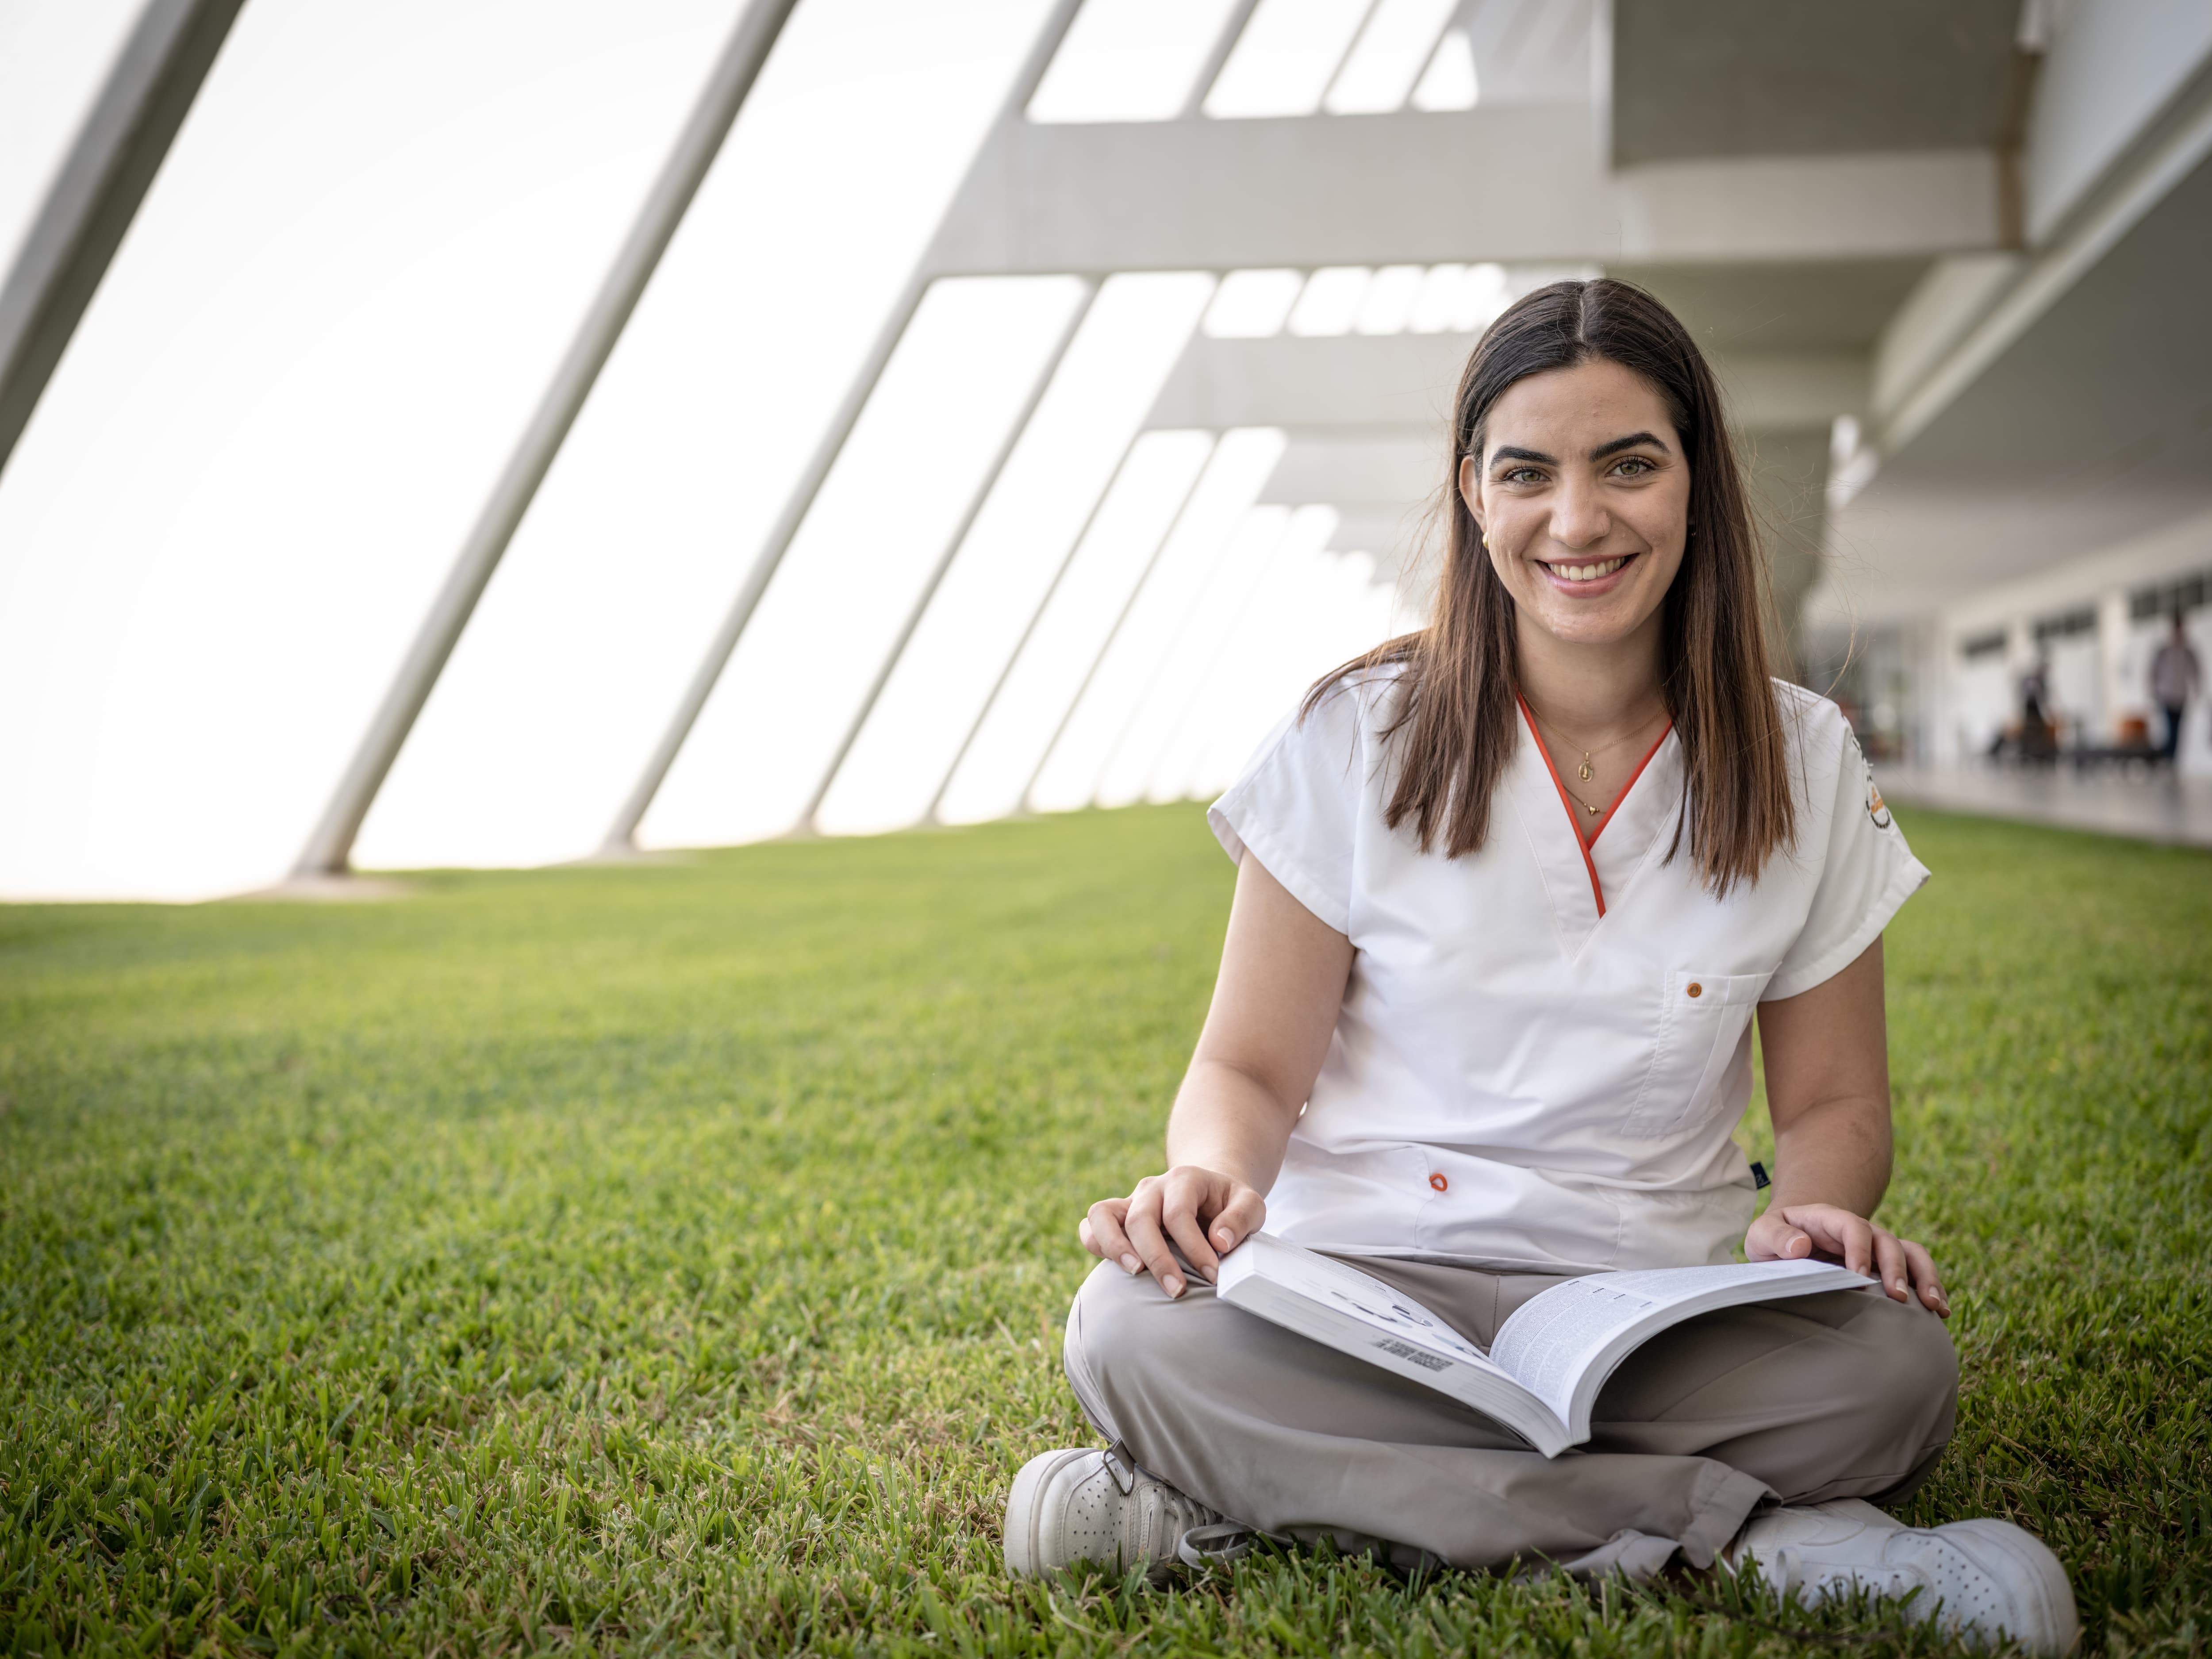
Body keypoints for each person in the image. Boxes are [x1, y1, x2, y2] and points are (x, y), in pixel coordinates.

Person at [1002, 280, 2078, 1656]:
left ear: (1696, 481)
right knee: (1129, 1327)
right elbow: (1248, 1067)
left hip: (1649, 1307)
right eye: (1528, 473)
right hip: (1365, 1286)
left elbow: (1831, 1109)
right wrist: (1213, 1174)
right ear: (1471, 492)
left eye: (1627, 463)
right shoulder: (1351, 735)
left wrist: (1813, 1219)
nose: (1576, 521)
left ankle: (1223, 1509)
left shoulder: (1803, 757)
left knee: (1893, 1365)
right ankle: (1761, 1536)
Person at [2150, 613, 2200, 764]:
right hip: (2166, 696)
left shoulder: (2188, 651)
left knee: (2178, 733)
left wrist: (2197, 689)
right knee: (2170, 731)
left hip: (2181, 696)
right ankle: (2167, 759)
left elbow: (2196, 672)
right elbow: (2154, 672)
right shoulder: (2163, 650)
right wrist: (2153, 691)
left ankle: (2172, 761)